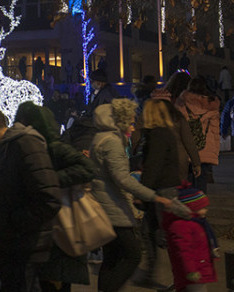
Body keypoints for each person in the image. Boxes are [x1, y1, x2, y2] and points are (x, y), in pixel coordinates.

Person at [0, 103, 61, 291]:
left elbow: (49, 198)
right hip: (11, 251)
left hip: (24, 252)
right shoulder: (1, 154)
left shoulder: (25, 145)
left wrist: (13, 225)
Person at [91, 99, 180, 292]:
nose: (133, 126)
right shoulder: (112, 143)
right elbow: (122, 179)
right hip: (113, 208)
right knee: (133, 255)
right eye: (130, 122)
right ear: (120, 121)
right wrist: (153, 196)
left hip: (106, 206)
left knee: (112, 258)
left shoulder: (102, 138)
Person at [15, 102, 95, 292]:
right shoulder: (31, 147)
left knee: (55, 280)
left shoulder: (55, 147)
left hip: (60, 226)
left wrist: (51, 180)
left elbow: (87, 168)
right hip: (46, 227)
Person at [134, 99, 183, 289]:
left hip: (162, 189)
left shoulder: (158, 134)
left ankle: (179, 278)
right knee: (151, 232)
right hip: (164, 187)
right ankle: (152, 273)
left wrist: (142, 192)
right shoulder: (163, 132)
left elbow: (153, 165)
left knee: (165, 236)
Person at [163, 184, 218, 292]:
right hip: (193, 272)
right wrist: (191, 270)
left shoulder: (197, 223)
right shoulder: (182, 226)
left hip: (198, 269)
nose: (205, 210)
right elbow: (184, 251)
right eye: (202, 208)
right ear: (191, 209)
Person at [175, 76, 221, 192]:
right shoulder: (212, 106)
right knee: (201, 180)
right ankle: (199, 204)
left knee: (187, 179)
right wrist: (215, 152)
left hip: (186, 147)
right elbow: (215, 131)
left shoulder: (181, 103)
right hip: (205, 147)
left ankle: (188, 204)